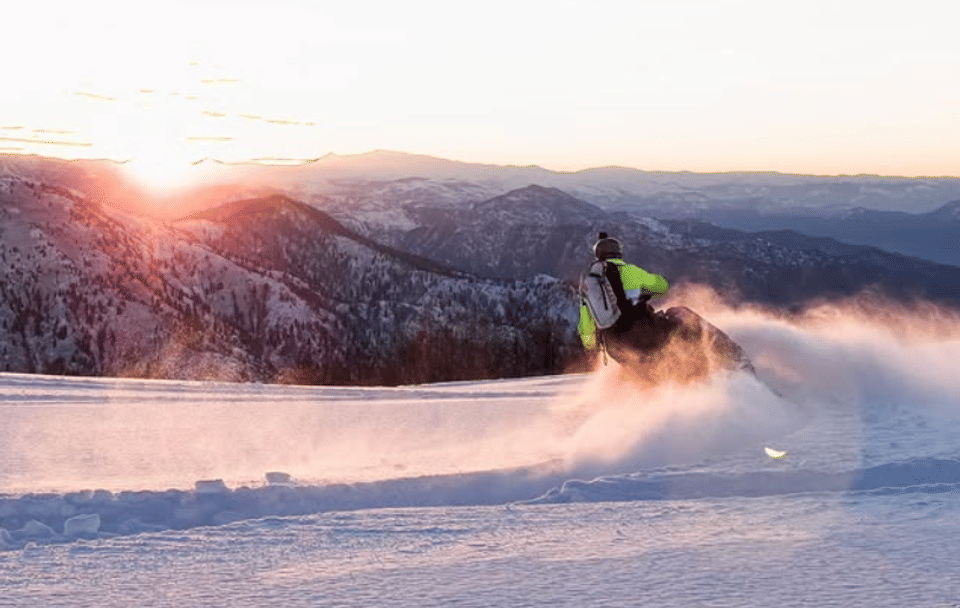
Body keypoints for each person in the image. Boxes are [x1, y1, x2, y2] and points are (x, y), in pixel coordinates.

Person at [578, 233, 674, 362]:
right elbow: (663, 287)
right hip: (644, 335)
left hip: (616, 348)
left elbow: (586, 324)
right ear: (619, 253)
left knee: (639, 377)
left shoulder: (590, 284)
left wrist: (590, 346)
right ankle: (708, 351)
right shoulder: (630, 271)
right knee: (680, 315)